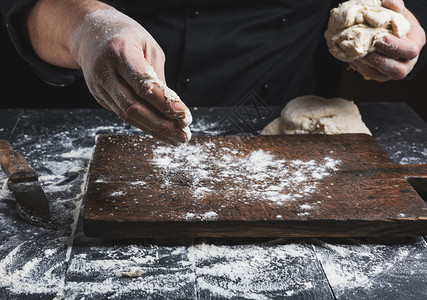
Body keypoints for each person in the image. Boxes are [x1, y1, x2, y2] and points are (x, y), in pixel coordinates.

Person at [1, 0, 426, 145]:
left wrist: (392, 33)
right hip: (99, 115)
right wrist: (87, 29)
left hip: (279, 118)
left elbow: (398, 9)